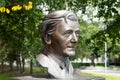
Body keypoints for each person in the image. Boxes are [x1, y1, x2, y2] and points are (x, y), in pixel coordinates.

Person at [37, 10, 80, 78]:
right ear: (48, 38)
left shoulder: (69, 66)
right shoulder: (45, 63)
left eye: (77, 33)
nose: (75, 40)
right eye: (68, 33)